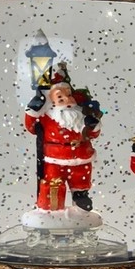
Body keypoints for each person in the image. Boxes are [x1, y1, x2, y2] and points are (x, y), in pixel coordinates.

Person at [25, 78, 102, 212]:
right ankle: (53, 208)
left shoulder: (81, 116)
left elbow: (92, 134)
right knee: (53, 185)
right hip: (55, 159)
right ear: (51, 101)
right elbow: (31, 127)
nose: (66, 99)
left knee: (81, 181)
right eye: (60, 97)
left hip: (81, 157)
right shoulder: (48, 117)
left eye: (69, 95)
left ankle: (80, 198)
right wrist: (32, 110)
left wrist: (93, 125)